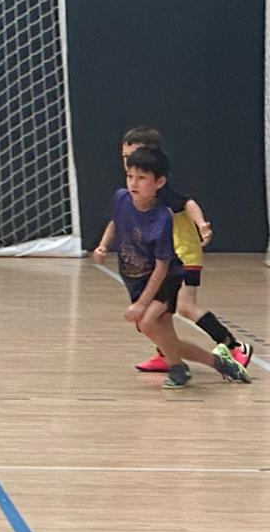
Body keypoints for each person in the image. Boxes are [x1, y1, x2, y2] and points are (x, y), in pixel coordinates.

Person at [91, 145, 250, 390]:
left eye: (142, 178)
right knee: (167, 340)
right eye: (130, 176)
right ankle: (218, 363)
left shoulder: (162, 217)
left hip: (166, 279)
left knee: (146, 322)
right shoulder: (121, 198)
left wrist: (142, 304)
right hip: (137, 280)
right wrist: (102, 246)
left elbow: (162, 267)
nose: (133, 183)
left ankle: (179, 370)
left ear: (159, 182)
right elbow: (115, 221)